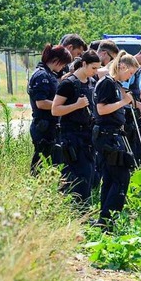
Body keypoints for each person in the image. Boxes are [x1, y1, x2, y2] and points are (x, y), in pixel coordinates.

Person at [92, 51, 140, 227]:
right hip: (107, 136)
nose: (130, 77)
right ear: (122, 67)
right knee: (121, 177)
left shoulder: (115, 84)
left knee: (112, 178)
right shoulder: (107, 84)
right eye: (130, 73)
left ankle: (105, 219)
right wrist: (123, 102)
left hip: (112, 135)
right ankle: (108, 218)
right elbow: (102, 109)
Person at [51, 50, 100, 206]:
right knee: (77, 174)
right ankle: (75, 210)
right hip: (71, 135)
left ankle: (83, 209)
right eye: (93, 68)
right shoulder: (68, 84)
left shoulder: (91, 82)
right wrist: (76, 105)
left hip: (88, 135)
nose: (95, 72)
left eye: (97, 68)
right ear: (84, 64)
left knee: (90, 175)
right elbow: (55, 109)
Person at [27, 44, 72, 174]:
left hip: (50, 125)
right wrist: (60, 107)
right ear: (57, 60)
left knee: (51, 160)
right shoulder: (42, 76)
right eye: (63, 64)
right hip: (43, 125)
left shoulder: (49, 74)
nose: (63, 67)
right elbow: (41, 103)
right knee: (41, 160)